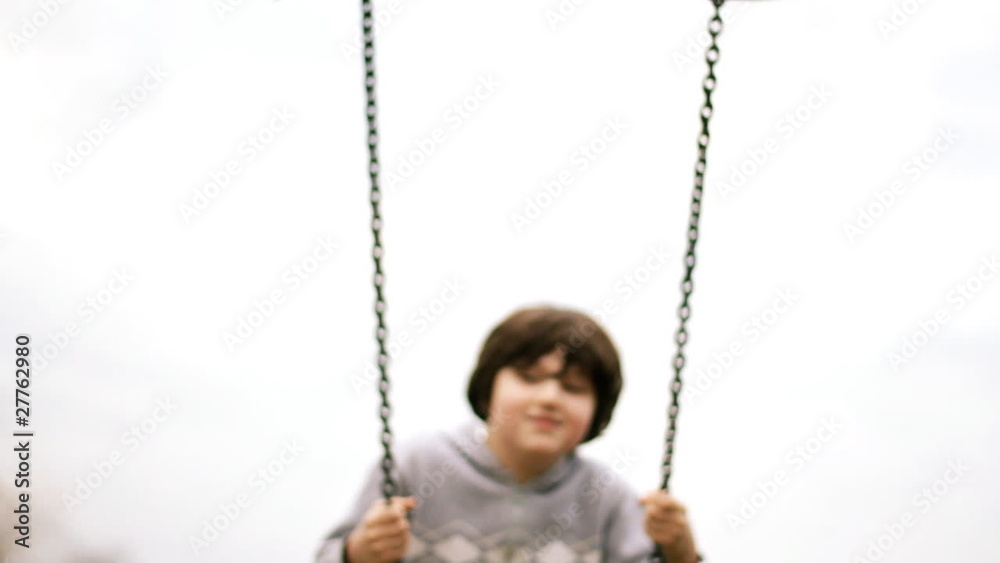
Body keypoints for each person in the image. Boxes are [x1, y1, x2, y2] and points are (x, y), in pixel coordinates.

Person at [316, 305, 702, 562]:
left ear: (598, 409)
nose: (549, 397)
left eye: (573, 388)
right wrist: (358, 552)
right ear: (488, 386)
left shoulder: (607, 496)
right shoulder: (416, 466)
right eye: (528, 378)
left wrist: (681, 553)